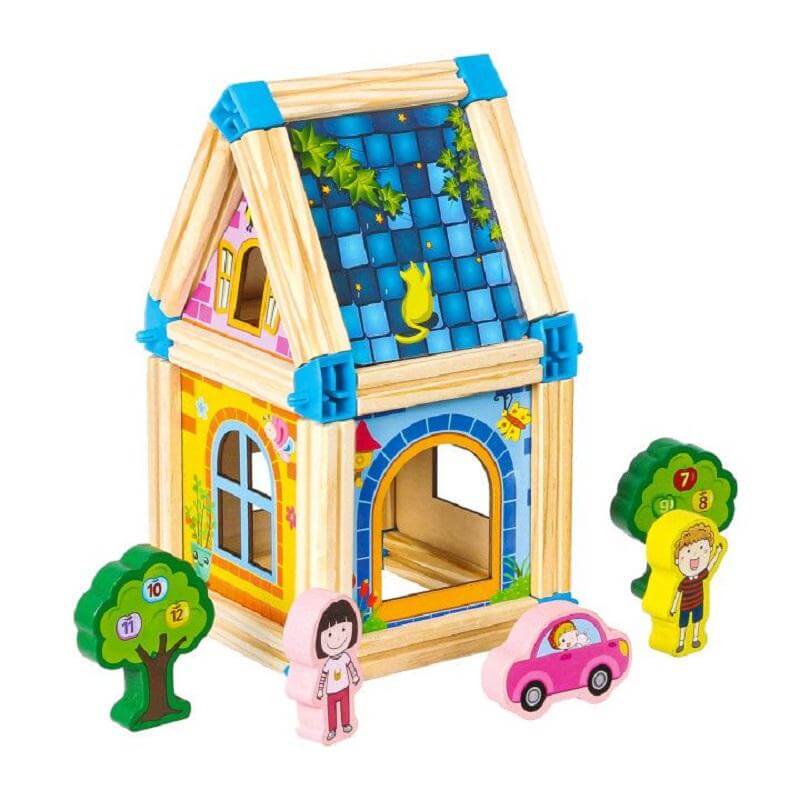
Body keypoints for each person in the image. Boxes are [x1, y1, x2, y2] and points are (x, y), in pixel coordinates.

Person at [669, 522, 723, 652]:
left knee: (697, 621)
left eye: (702, 549)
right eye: (688, 551)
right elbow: (677, 595)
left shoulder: (701, 575)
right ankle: (681, 642)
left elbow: (710, 565)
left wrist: (717, 553)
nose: (695, 555)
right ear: (677, 560)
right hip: (685, 606)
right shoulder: (683, 582)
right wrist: (673, 608)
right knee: (683, 624)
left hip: (698, 602)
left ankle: (695, 639)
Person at [315, 598, 361, 740]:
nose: (337, 638)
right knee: (331, 710)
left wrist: (355, 677)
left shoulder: (345, 656)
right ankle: (332, 729)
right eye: (329, 634)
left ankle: (346, 724)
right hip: (331, 691)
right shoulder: (328, 663)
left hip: (344, 687)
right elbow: (323, 677)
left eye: (343, 629)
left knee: (345, 706)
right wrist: (320, 690)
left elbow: (351, 667)